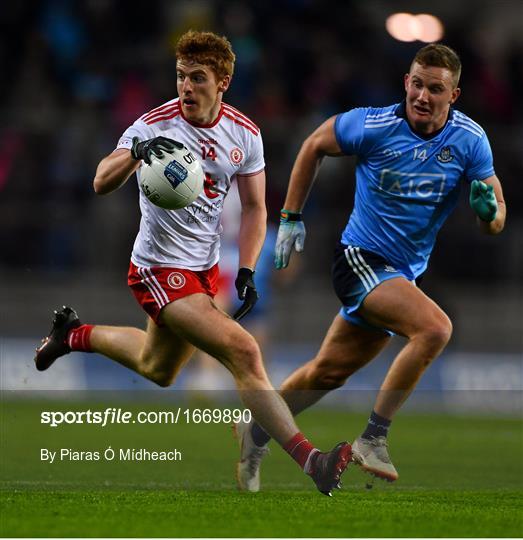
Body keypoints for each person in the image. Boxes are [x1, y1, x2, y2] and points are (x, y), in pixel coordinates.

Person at [34, 30, 351, 496]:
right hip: (157, 269)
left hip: (202, 271)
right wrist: (135, 154)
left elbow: (257, 208)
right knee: (244, 351)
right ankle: (313, 462)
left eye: (197, 78)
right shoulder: (153, 125)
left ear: (222, 81)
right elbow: (101, 181)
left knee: (157, 367)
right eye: (181, 76)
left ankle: (73, 334)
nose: (185, 86)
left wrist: (246, 268)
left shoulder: (245, 134)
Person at [236, 43, 506, 490]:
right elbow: (314, 145)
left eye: (434, 89)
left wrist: (488, 213)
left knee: (328, 373)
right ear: (406, 82)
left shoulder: (470, 140)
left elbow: (495, 216)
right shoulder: (375, 124)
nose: (422, 95)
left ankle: (256, 431)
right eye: (416, 84)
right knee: (435, 328)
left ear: (453, 95)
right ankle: (373, 437)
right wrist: (289, 217)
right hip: (359, 260)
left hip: (400, 276)